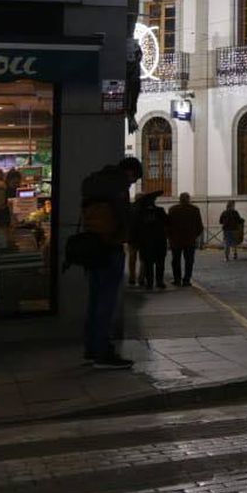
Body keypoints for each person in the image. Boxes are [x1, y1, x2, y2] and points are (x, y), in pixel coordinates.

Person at [80, 156, 143, 370]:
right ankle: (103, 352)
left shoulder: (97, 182)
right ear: (130, 172)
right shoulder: (117, 186)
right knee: (106, 301)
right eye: (133, 180)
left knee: (95, 299)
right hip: (110, 246)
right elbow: (123, 217)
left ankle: (91, 347)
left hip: (92, 245)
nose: (131, 184)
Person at [133, 191, 169, 291]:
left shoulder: (141, 213)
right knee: (158, 263)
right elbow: (167, 222)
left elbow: (136, 228)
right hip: (156, 241)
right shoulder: (158, 211)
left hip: (148, 242)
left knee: (151, 263)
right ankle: (158, 281)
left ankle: (151, 283)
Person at [167, 192, 204, 286]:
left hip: (176, 240)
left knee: (175, 261)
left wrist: (170, 237)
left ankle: (177, 279)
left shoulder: (173, 209)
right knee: (189, 261)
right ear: (188, 199)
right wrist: (194, 236)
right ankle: (187, 280)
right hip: (190, 241)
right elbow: (199, 227)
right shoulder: (194, 210)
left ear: (179, 199)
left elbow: (168, 226)